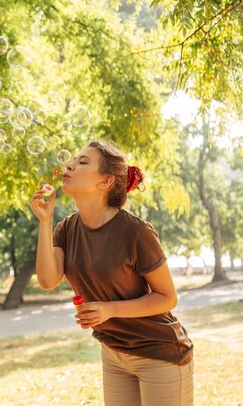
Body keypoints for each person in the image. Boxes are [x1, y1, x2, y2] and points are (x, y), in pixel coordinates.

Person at [30, 140, 193, 406]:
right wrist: (45, 222)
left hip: (159, 352)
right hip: (114, 352)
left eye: (83, 162)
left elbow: (167, 298)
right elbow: (48, 281)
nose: (70, 164)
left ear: (105, 181)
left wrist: (110, 310)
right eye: (73, 159)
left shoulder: (136, 232)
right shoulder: (66, 229)